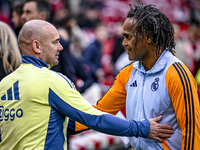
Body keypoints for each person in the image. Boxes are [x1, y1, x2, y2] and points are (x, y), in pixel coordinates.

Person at [0, 19, 173, 150]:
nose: (60, 47)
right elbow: (94, 119)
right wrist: (142, 128)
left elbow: (52, 124)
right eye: (55, 42)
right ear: (37, 46)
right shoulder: (51, 81)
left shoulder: (4, 84)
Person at [72, 3, 200, 150]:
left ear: (148, 37)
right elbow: (99, 113)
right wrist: (63, 125)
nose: (124, 43)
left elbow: (191, 131)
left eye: (128, 37)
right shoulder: (128, 73)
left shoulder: (177, 74)